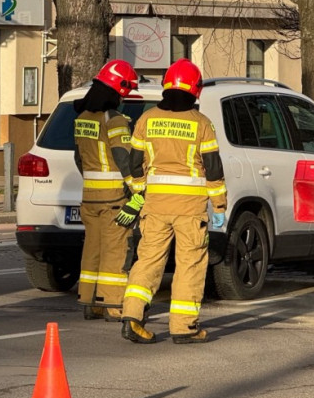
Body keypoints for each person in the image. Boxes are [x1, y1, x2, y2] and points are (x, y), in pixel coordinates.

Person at [118, 59, 227, 344]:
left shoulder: (146, 119)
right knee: (190, 264)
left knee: (148, 261)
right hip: (190, 208)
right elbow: (213, 167)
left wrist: (141, 192)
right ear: (195, 90)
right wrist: (220, 206)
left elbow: (134, 162)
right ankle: (183, 327)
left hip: (155, 204)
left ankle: (132, 316)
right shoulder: (201, 123)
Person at [73, 59, 139, 320]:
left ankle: (91, 303)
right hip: (114, 198)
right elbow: (123, 158)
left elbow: (79, 159)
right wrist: (137, 191)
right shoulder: (115, 120)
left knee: (93, 248)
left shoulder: (82, 118)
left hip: (89, 197)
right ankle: (113, 304)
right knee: (116, 250)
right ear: (117, 91)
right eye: (125, 93)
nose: (125, 98)